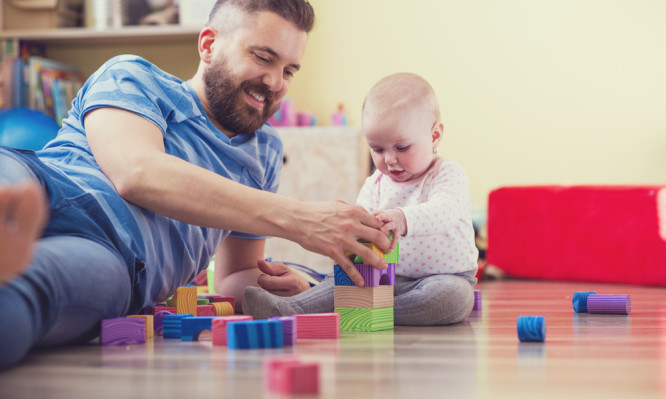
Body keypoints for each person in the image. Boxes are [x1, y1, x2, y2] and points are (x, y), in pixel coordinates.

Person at [0, 0, 391, 369]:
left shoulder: (264, 152)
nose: (274, 82)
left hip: (117, 258)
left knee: (33, 292)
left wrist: (299, 286)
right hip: (46, 182)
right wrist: (301, 219)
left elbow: (235, 276)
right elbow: (137, 173)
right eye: (262, 57)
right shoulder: (134, 75)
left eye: (289, 71)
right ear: (209, 45)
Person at [243, 73, 479, 325]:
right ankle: (290, 308)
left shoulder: (446, 174)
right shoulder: (375, 183)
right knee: (342, 279)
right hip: (379, 276)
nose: (389, 159)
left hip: (442, 278)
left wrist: (401, 218)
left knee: (451, 299)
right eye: (377, 149)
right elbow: (358, 224)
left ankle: (368, 311)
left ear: (434, 136)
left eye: (401, 147)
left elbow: (444, 211)